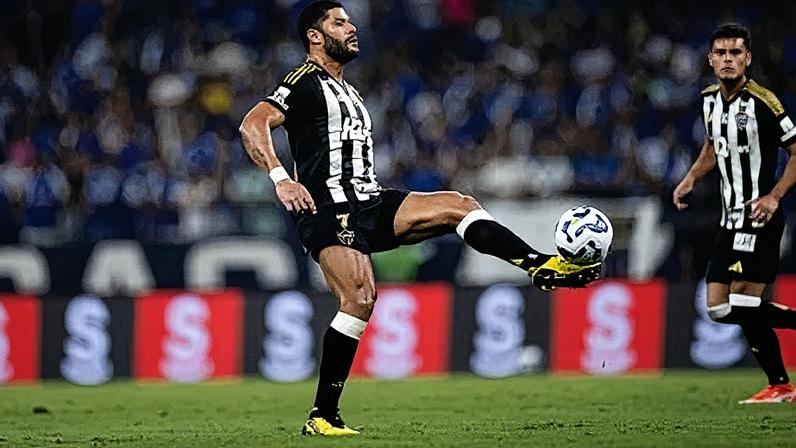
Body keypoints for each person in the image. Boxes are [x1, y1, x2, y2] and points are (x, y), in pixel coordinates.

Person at [240, 1, 601, 436]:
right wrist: (281, 179)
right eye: (339, 22)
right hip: (327, 207)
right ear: (315, 36)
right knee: (359, 298)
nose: (352, 28)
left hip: (369, 201)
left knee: (459, 205)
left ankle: (540, 265)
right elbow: (252, 124)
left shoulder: (350, 91)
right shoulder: (303, 82)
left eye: (351, 20)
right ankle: (322, 416)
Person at [674, 23, 796, 404]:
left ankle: (779, 385)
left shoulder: (765, 102)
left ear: (748, 58)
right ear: (711, 60)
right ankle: (780, 385)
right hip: (729, 221)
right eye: (721, 53)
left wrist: (774, 196)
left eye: (735, 53)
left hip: (759, 218)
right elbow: (714, 145)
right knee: (720, 309)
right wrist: (690, 178)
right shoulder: (708, 100)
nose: (728, 60)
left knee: (744, 304)